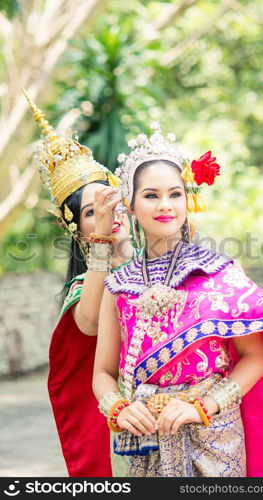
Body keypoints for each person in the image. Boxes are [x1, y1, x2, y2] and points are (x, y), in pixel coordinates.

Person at [93, 122, 263, 477]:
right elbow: (102, 373)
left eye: (175, 194)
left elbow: (255, 358)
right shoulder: (117, 285)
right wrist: (118, 407)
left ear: (188, 200)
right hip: (145, 442)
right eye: (151, 195)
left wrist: (204, 407)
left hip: (215, 438)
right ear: (131, 206)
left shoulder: (219, 273)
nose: (165, 205)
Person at [23, 89, 134, 477]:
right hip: (126, 424)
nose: (107, 212)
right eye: (91, 211)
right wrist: (104, 242)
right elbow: (88, 324)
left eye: (108, 199)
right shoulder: (85, 287)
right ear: (78, 229)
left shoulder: (161, 264)